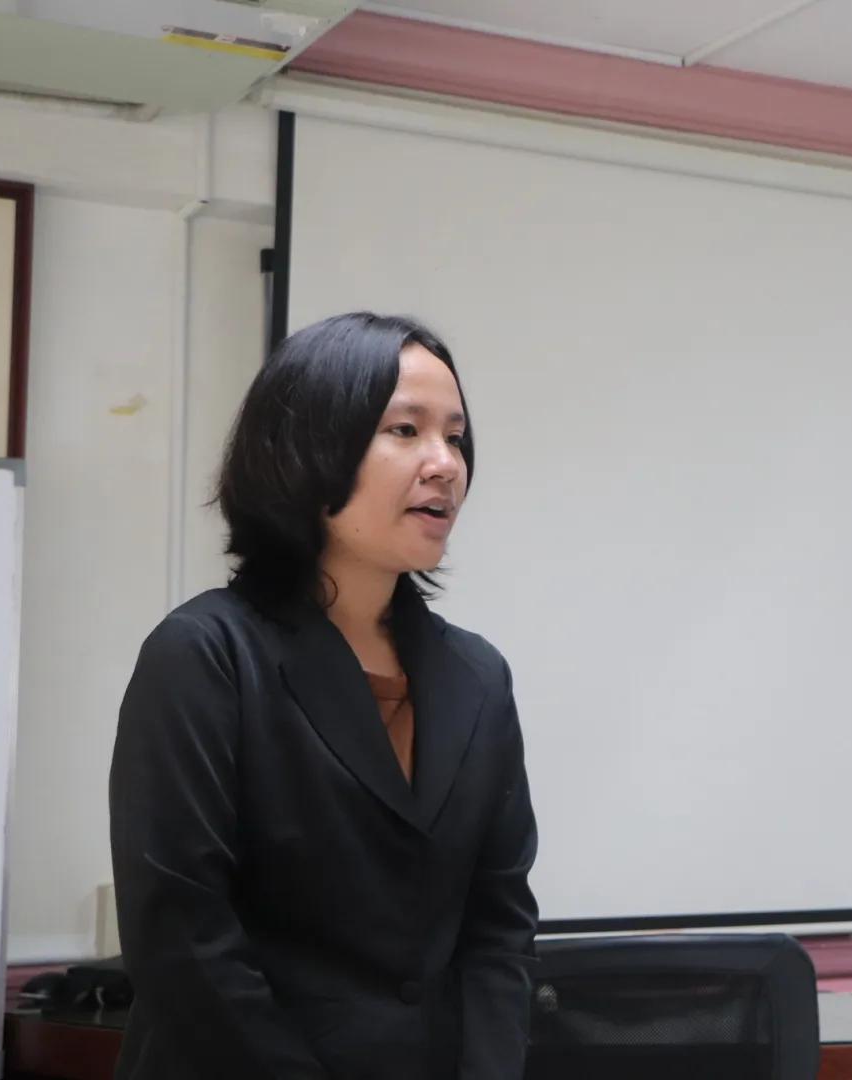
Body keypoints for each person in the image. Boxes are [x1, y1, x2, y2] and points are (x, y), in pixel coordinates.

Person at [107, 312, 538, 1080]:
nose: (445, 463)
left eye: (456, 436)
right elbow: (183, 940)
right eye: (405, 430)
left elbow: (498, 927)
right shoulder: (205, 655)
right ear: (306, 449)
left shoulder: (477, 676)